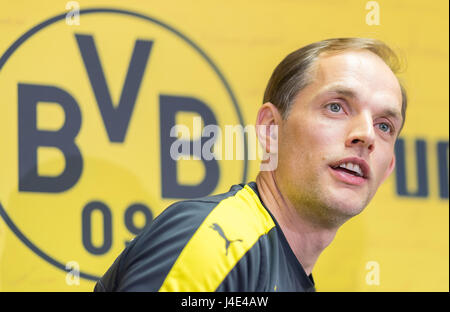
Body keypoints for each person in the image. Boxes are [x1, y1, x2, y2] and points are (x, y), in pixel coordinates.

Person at [94, 38, 407, 292]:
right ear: (270, 129)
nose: (365, 135)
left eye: (384, 126)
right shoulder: (220, 242)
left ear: (388, 168)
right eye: (336, 107)